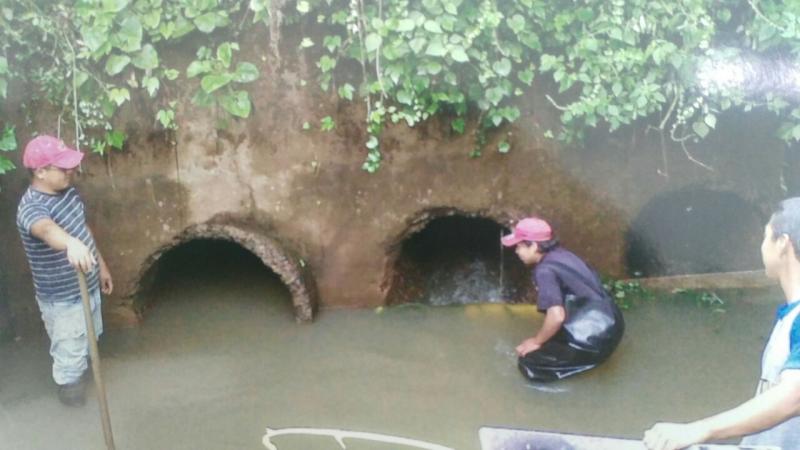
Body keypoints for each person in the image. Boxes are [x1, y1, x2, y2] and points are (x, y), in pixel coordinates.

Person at [644, 198, 800, 450]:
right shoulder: (791, 315)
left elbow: (794, 394)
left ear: (782, 244)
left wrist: (698, 430)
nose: (761, 247)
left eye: (766, 236)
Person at [16, 135, 113, 406]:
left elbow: (83, 230)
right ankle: (72, 402)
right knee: (69, 356)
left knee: (89, 339)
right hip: (63, 300)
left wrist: (101, 266)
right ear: (41, 172)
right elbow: (47, 230)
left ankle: (85, 381)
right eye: (62, 167)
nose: (70, 171)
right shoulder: (31, 207)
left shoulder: (68, 192)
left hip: (87, 285)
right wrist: (70, 243)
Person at [501, 217, 624, 382]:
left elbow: (557, 316)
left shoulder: (544, 271)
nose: (516, 251)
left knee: (528, 363)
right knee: (553, 338)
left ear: (534, 246)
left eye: (519, 246)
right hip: (613, 323)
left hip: (592, 340)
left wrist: (536, 342)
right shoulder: (563, 255)